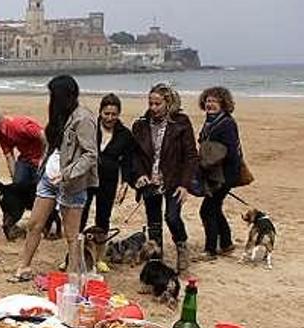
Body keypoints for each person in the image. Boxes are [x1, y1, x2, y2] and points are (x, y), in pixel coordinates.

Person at [12, 75, 97, 282]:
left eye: (53, 95)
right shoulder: (59, 116)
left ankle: (73, 276)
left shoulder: (83, 118)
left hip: (71, 183)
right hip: (49, 179)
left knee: (71, 235)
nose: (51, 99)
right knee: (35, 224)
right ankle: (24, 266)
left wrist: (67, 173)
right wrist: (44, 165)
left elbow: (91, 154)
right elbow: (53, 147)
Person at [131, 83, 199, 272]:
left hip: (173, 180)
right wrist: (139, 175)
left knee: (172, 217)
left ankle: (182, 248)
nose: (153, 108)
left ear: (168, 103)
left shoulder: (181, 123)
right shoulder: (140, 124)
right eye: (150, 103)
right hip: (150, 181)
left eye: (157, 104)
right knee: (154, 222)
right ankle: (156, 260)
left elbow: (191, 156)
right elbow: (134, 154)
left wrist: (185, 185)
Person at [195, 86, 242, 261]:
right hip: (214, 173)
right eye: (208, 101)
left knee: (207, 210)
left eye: (214, 101)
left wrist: (211, 159)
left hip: (224, 174)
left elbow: (231, 152)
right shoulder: (210, 121)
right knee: (215, 208)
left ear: (223, 103)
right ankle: (227, 243)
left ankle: (210, 250)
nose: (210, 104)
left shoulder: (227, 123)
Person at [79, 93, 135, 235]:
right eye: (106, 113)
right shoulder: (89, 127)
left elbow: (127, 160)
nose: (110, 118)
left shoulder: (125, 134)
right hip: (86, 177)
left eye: (114, 114)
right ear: (100, 112)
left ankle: (99, 250)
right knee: (81, 213)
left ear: (118, 114)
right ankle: (76, 247)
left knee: (103, 217)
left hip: (109, 180)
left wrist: (125, 183)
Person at [0, 108, 46, 185]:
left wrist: (44, 158)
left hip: (40, 159)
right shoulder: (3, 136)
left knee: (40, 187)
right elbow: (9, 157)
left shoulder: (18, 126)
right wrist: (14, 179)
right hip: (26, 159)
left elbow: (44, 136)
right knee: (19, 184)